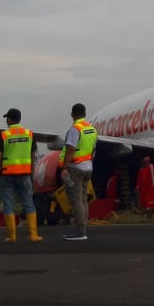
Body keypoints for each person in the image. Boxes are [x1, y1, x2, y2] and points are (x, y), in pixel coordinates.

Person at [0, 107, 41, 243]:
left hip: (7, 175)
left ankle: (12, 236)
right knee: (29, 203)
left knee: (8, 204)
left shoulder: (4, 135)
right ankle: (33, 235)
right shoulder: (30, 134)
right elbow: (33, 156)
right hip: (25, 174)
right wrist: (31, 173)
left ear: (9, 119)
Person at [59, 102, 96, 241]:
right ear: (85, 114)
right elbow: (93, 150)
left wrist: (64, 168)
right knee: (84, 199)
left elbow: (70, 150)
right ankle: (84, 228)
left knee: (76, 200)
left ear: (72, 114)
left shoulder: (75, 129)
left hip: (75, 168)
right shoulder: (92, 129)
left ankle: (81, 232)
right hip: (88, 168)